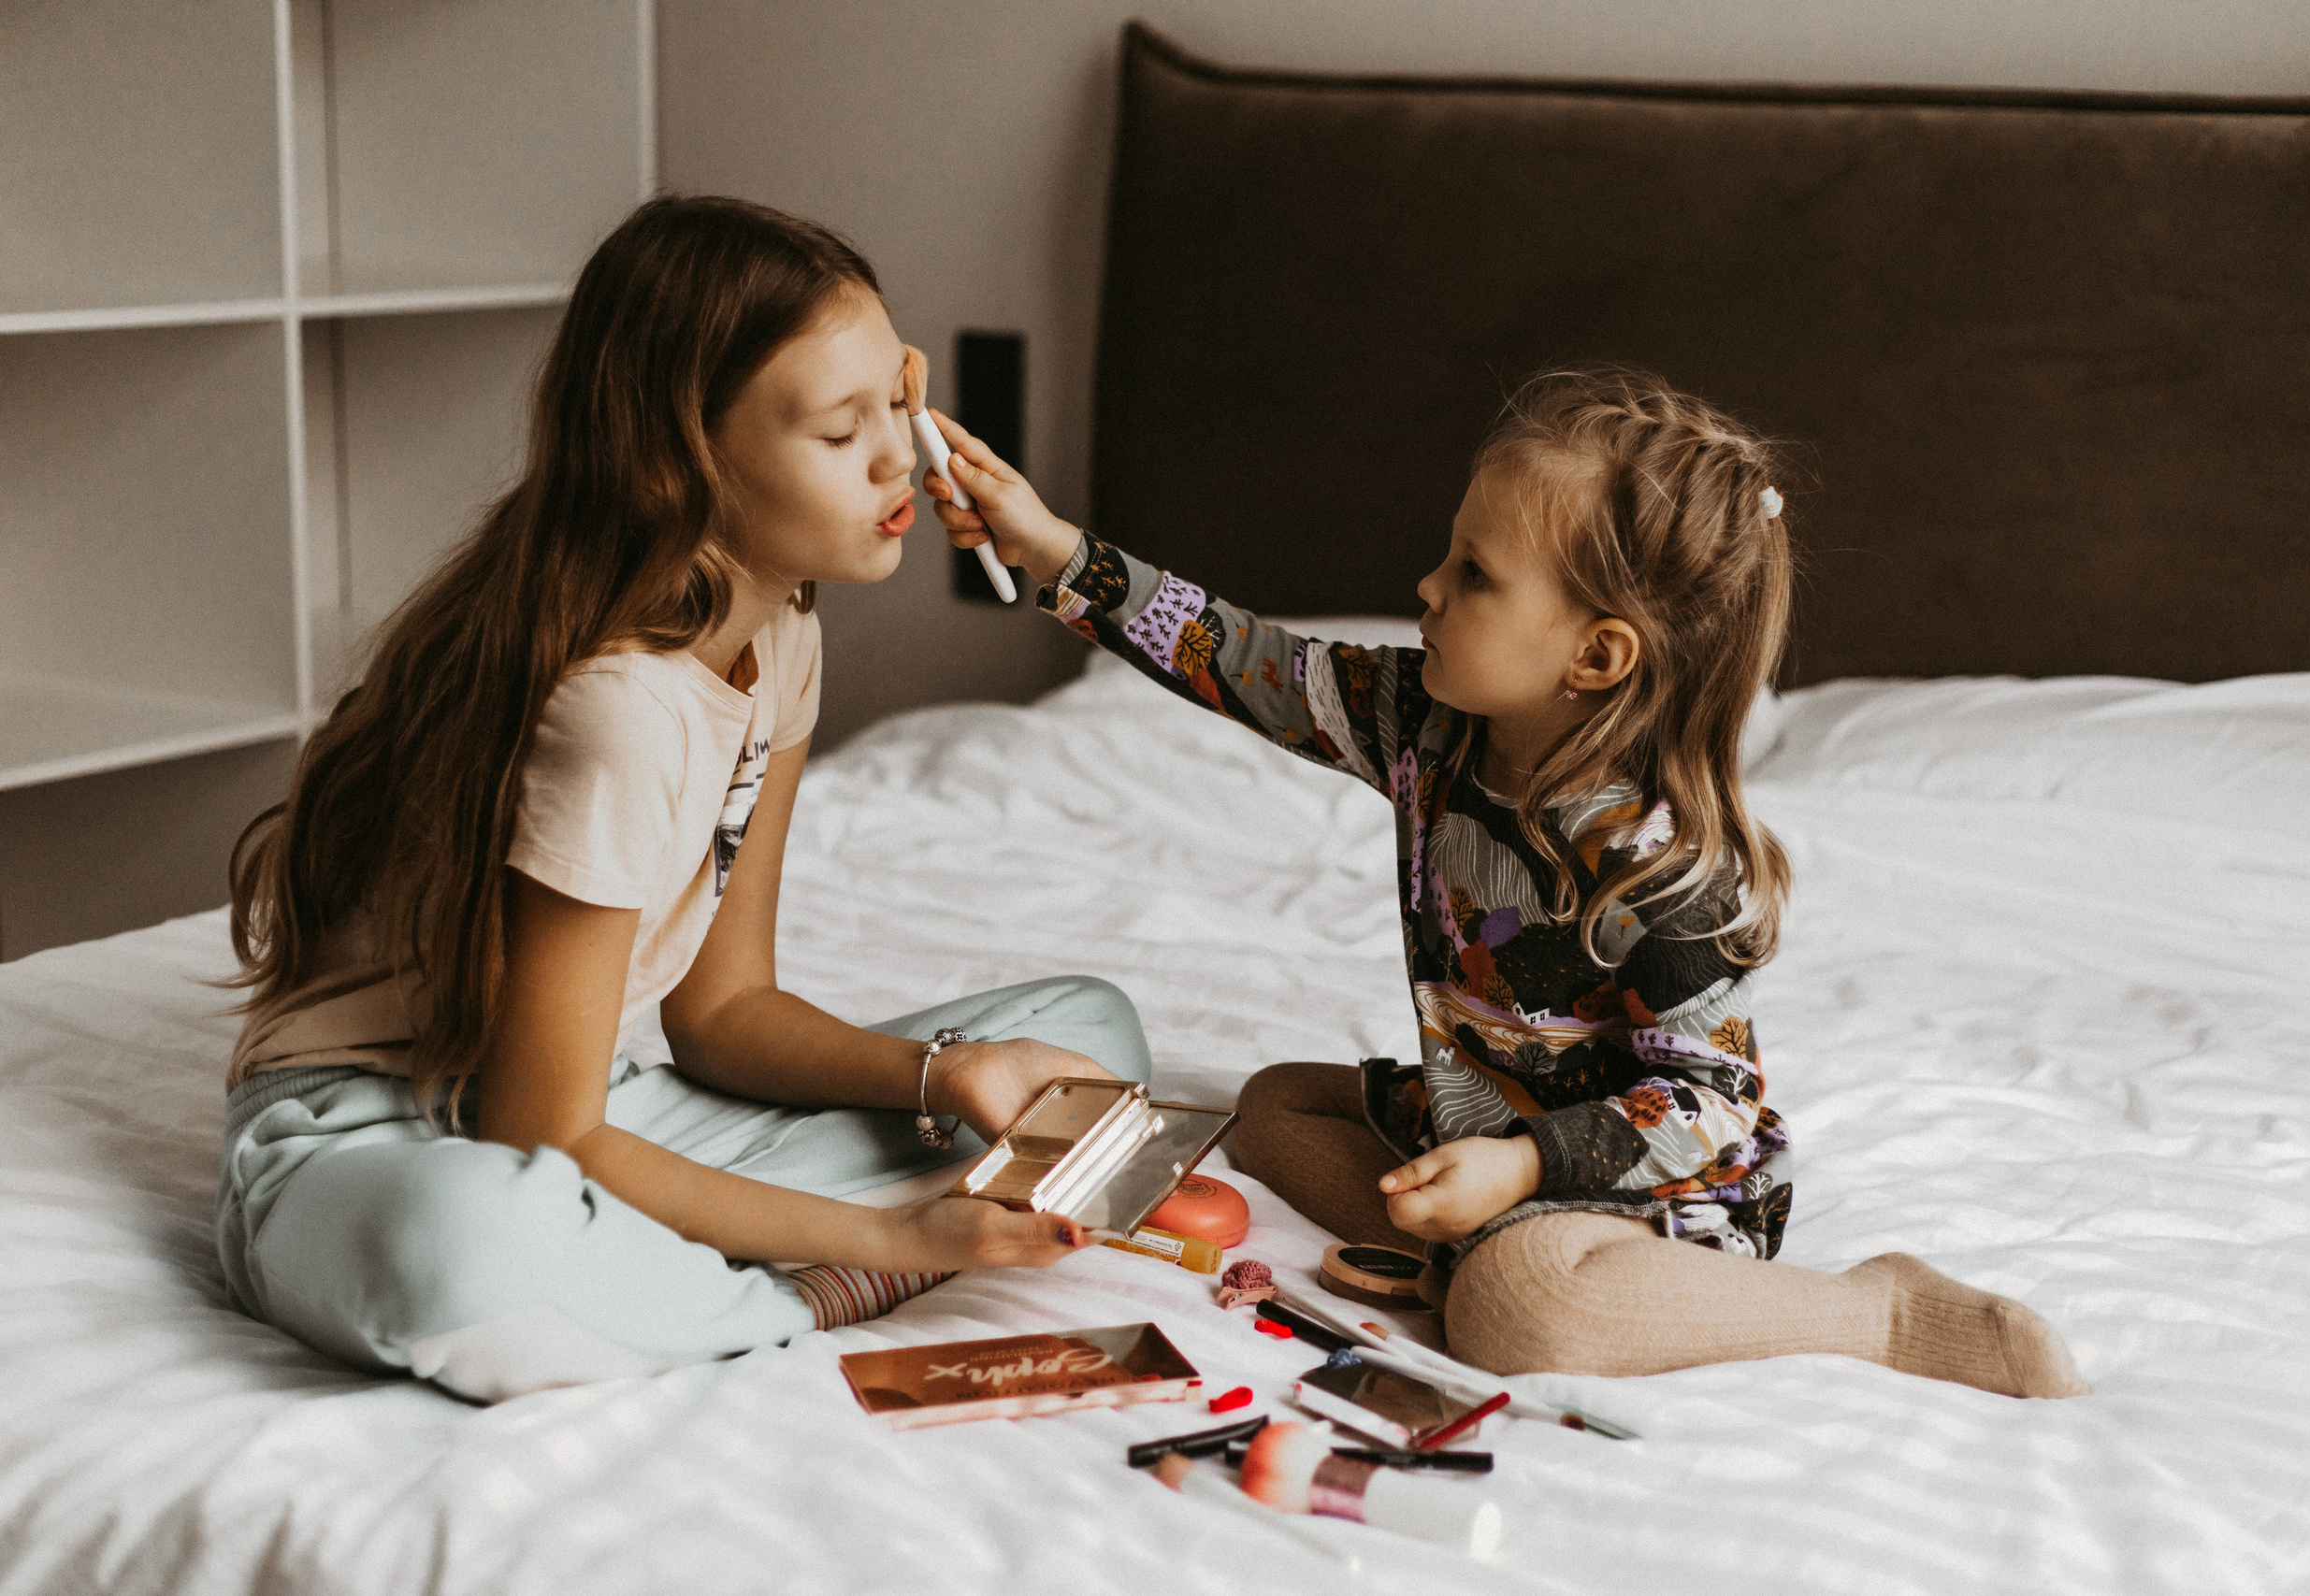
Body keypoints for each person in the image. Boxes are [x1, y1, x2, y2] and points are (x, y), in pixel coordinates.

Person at [920, 368, 2086, 1398]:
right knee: (1275, 1103)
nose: (1424, 587)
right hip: (1491, 1121)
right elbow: (1241, 660)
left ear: (1595, 656)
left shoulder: (1658, 865)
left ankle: (1876, 1310)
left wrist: (1525, 1169)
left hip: (1652, 1183)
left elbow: (1708, 1104)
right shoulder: (1419, 725)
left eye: (1473, 575)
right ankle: (1474, 1242)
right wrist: (1056, 552)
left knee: (1513, 1315)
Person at [216, 196, 1149, 1402]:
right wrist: (885, 1243)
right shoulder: (616, 713)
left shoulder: (785, 629)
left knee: (1088, 1038)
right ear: (687, 461)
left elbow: (722, 1010)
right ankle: (787, 1296)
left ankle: (657, 1285)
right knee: (468, 1244)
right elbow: (534, 1140)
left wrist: (942, 1074)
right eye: (836, 430)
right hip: (375, 1148)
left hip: (588, 1111)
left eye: (898, 402)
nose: (898, 460)